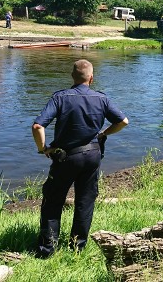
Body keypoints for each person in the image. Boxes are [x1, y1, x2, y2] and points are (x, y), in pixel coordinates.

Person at [32, 59, 128, 258]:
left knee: (53, 201)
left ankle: (47, 250)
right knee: (85, 201)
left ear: (72, 77)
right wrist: (103, 134)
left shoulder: (60, 97)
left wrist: (44, 149)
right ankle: (77, 248)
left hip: (65, 157)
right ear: (91, 78)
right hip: (92, 156)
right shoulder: (102, 99)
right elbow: (123, 121)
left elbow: (38, 127)